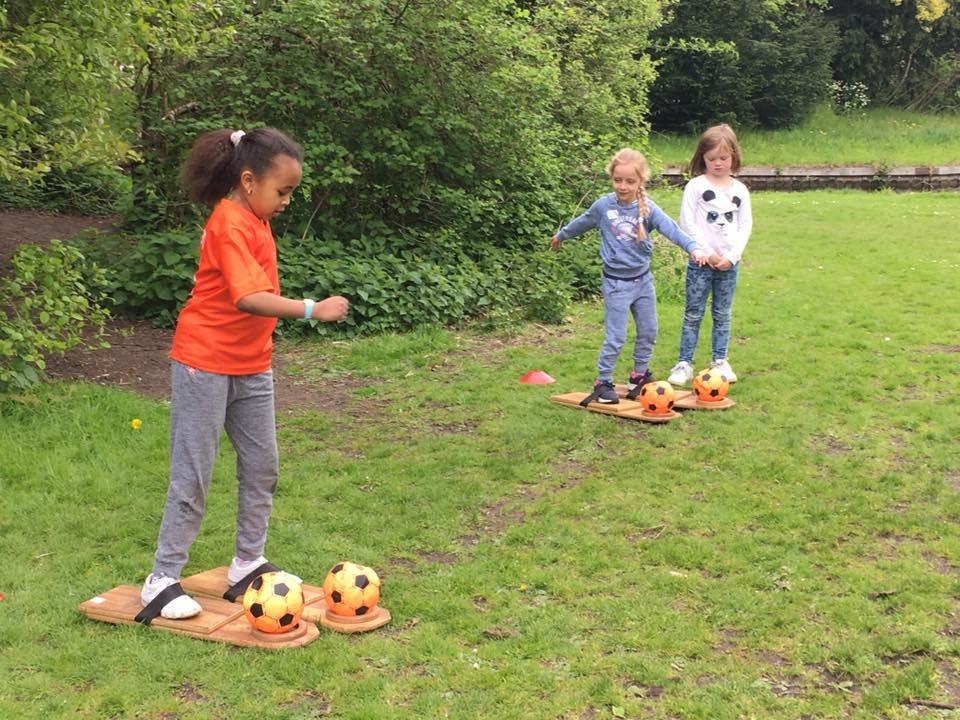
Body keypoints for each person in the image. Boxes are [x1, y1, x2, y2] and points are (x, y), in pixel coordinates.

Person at [138, 127, 349, 621]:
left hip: (252, 366)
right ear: (249, 181)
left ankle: (247, 564)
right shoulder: (229, 221)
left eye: (292, 192)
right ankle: (162, 578)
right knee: (193, 473)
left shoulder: (256, 220)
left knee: (262, 466)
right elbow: (246, 298)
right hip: (203, 363)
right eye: (283, 191)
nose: (287, 201)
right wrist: (311, 309)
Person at [551, 148, 707, 404]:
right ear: (611, 178)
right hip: (616, 284)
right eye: (617, 180)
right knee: (617, 336)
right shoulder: (603, 206)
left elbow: (673, 230)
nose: (622, 186)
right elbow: (583, 221)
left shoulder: (649, 210)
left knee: (648, 330)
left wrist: (693, 248)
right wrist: (561, 236)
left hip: (643, 282)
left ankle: (639, 375)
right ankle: (602, 382)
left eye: (630, 181)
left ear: (640, 182)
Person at [667, 124, 752, 387]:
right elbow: (687, 221)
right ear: (702, 158)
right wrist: (705, 252)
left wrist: (732, 256)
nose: (718, 163)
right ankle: (684, 363)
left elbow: (744, 225)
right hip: (701, 263)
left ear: (734, 157)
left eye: (724, 158)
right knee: (693, 313)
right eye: (711, 158)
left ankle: (719, 361)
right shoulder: (695, 186)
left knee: (722, 313)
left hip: (729, 265)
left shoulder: (740, 190)